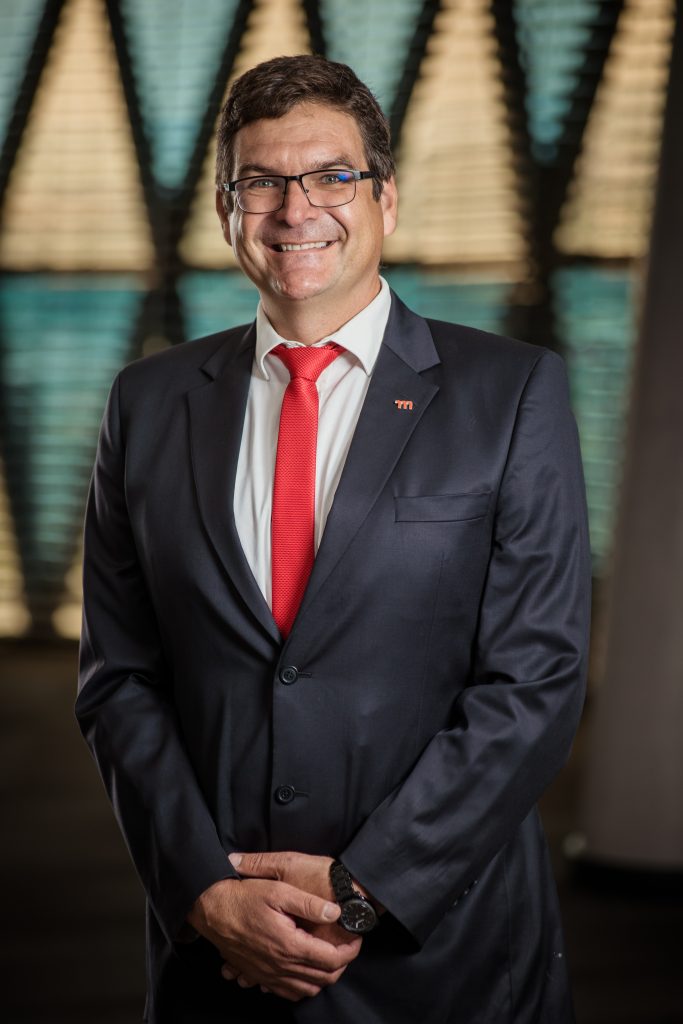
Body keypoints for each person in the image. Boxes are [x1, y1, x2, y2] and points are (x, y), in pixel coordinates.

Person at [76, 54, 591, 1024]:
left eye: (331, 176)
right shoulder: (146, 403)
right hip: (221, 950)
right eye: (261, 182)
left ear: (385, 197)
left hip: (442, 952)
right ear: (226, 210)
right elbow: (119, 680)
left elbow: (536, 680)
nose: (294, 209)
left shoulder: (510, 393)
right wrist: (201, 888)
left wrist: (365, 889)